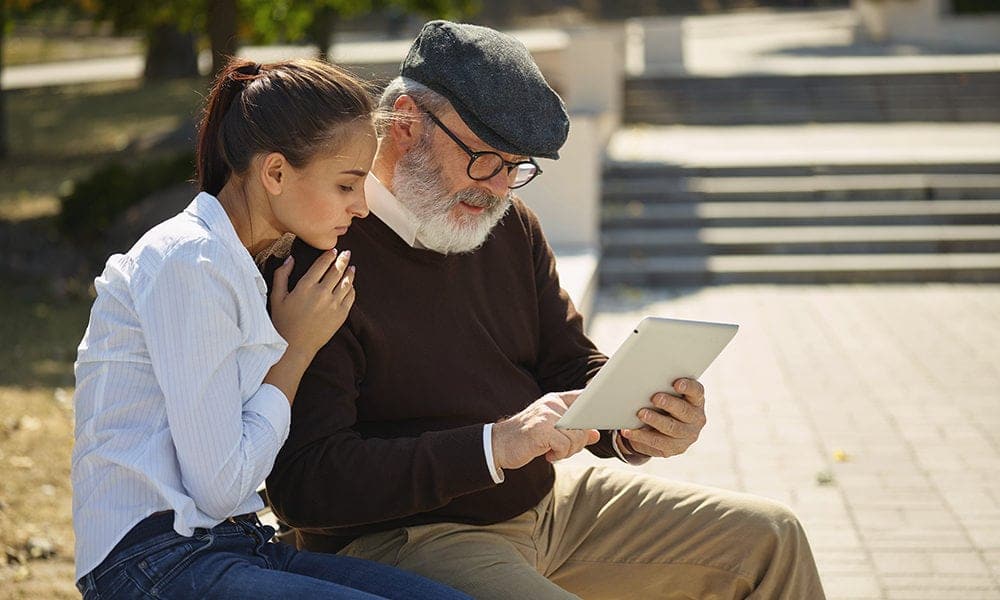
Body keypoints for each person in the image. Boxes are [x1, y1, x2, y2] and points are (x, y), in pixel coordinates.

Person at [263, 21, 827, 600]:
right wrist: (493, 446)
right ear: (406, 123)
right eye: (486, 158)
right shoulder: (321, 259)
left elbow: (568, 367)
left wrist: (639, 418)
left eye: (519, 165)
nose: (503, 188)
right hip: (407, 534)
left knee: (770, 537)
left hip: (545, 503)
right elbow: (307, 485)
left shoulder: (508, 226)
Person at [70, 58, 471, 600]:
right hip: (151, 562)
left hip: (234, 544)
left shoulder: (248, 262)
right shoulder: (191, 262)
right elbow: (219, 486)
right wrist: (295, 350)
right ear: (276, 173)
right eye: (348, 184)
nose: (361, 208)